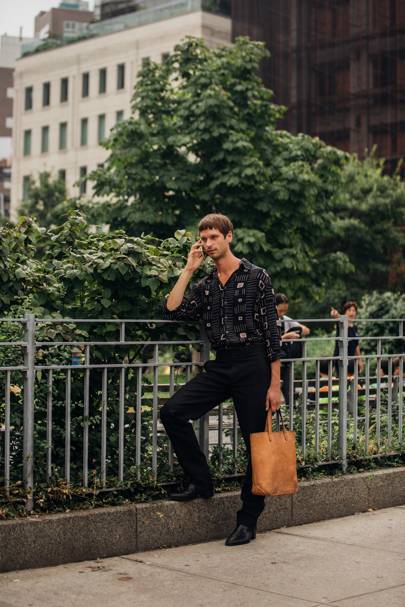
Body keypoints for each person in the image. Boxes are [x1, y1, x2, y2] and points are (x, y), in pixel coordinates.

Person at [160, 213, 281, 547]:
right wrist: (188, 269)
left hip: (253, 364)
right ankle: (201, 482)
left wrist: (275, 384)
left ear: (229, 236)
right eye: (204, 238)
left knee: (255, 443)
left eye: (213, 237)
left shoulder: (257, 276)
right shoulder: (207, 285)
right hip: (222, 364)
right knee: (172, 412)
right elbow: (172, 310)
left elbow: (272, 331)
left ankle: (248, 519)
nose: (208, 243)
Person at [276, 293, 310, 406]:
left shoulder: (284, 319)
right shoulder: (267, 319)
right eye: (280, 310)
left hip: (285, 358)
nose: (282, 314)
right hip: (271, 359)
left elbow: (306, 330)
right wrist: (286, 336)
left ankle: (291, 414)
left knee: (289, 389)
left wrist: (297, 330)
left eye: (285, 311)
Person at [331, 301, 364, 376]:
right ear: (345, 312)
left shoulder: (355, 327)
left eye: (353, 310)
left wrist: (360, 360)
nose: (351, 313)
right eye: (349, 310)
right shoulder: (341, 323)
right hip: (341, 359)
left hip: (351, 361)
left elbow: (356, 345)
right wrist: (335, 314)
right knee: (342, 382)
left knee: (353, 382)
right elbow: (338, 317)